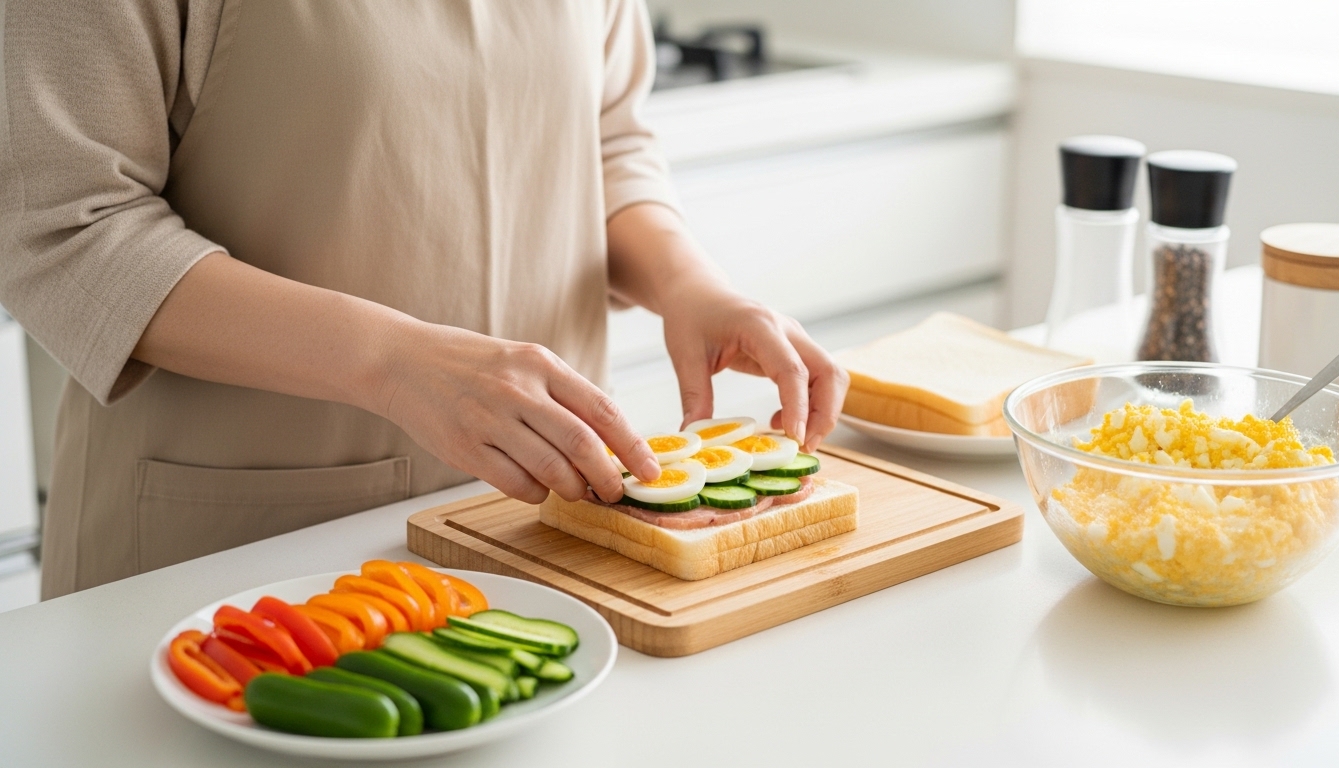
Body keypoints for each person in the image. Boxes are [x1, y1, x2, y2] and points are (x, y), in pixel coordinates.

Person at [0, 1, 848, 598]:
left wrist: (686, 285)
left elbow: (604, 142)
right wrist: (395, 365)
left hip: (549, 526)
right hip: (232, 546)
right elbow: (66, 227)